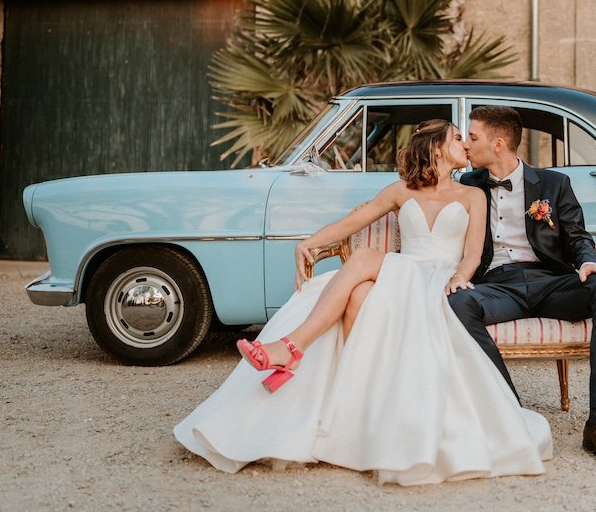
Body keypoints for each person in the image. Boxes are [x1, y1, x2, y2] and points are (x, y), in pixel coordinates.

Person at [174, 120, 552, 485]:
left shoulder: (473, 195)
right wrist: (310, 243)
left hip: (438, 279)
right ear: (437, 148)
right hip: (403, 271)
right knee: (357, 292)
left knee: (363, 262)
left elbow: (471, 255)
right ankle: (352, 405)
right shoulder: (401, 190)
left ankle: (293, 347)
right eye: (457, 138)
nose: (466, 145)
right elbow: (354, 220)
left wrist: (458, 279)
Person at [448, 105, 596, 466]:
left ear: (499, 144)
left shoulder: (553, 184)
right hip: (498, 286)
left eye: (473, 137)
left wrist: (589, 261)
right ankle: (510, 412)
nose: (467, 146)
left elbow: (577, 236)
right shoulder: (467, 185)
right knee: (458, 304)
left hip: (552, 283)